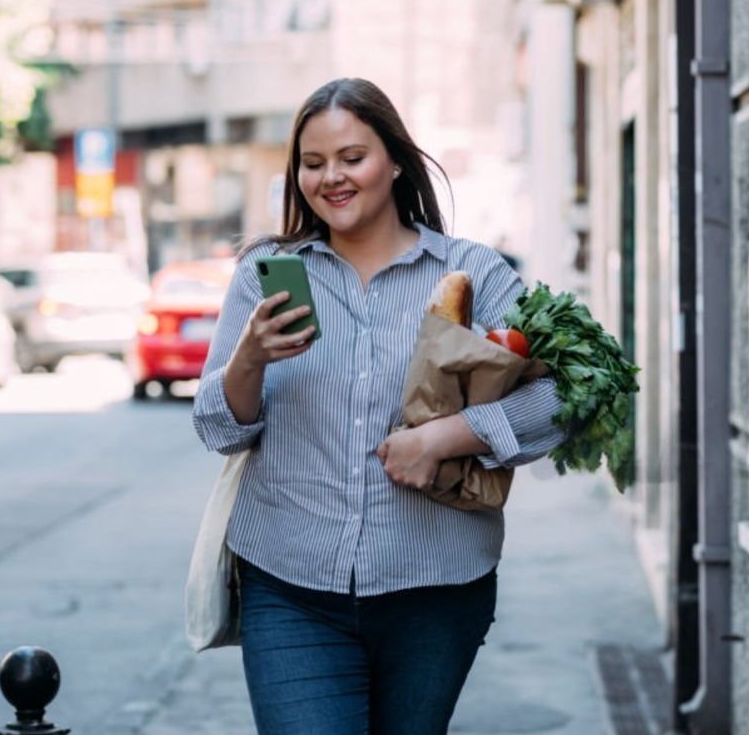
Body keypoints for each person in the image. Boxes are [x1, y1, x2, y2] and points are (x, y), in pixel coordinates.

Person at [192, 77, 564, 735]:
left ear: (395, 161)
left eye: (351, 157)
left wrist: (449, 436)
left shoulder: (473, 273)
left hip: (436, 590)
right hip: (290, 587)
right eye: (312, 164)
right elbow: (218, 427)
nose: (330, 177)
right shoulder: (268, 276)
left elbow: (560, 399)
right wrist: (248, 356)